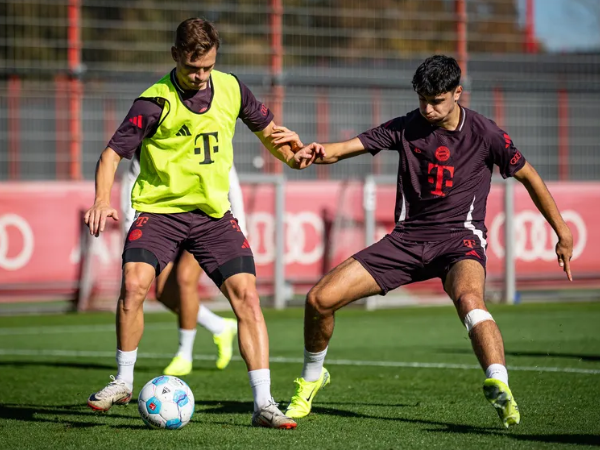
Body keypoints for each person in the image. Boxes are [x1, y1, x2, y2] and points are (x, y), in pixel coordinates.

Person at [275, 55, 574, 428]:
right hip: (407, 240)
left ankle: (499, 383)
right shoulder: (406, 127)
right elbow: (341, 149)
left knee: (469, 299)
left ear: (457, 93)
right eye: (423, 100)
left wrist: (561, 230)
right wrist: (312, 151)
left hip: (459, 240)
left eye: (437, 101)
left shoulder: (486, 133)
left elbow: (528, 175)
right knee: (319, 299)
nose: (428, 109)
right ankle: (313, 377)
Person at [85, 17, 317, 429]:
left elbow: (269, 132)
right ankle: (122, 381)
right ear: (176, 56)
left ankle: (264, 404)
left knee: (247, 297)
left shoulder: (231, 87)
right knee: (134, 285)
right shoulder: (153, 102)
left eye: (208, 66)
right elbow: (110, 156)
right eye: (193, 67)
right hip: (160, 214)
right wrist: (102, 199)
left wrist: (291, 155)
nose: (201, 75)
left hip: (213, 217)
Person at [120, 159, 247, 376]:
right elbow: (132, 180)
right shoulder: (151, 139)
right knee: (162, 293)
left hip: (205, 219)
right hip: (164, 219)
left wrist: (239, 227)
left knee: (185, 278)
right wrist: (130, 228)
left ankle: (184, 354)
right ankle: (219, 326)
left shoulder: (210, 129)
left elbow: (231, 182)